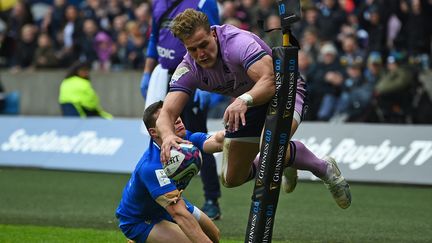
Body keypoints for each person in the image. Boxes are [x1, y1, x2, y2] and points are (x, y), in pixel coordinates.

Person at [157, 9, 351, 209]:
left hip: (284, 89)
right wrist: (168, 136)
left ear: (213, 34)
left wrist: (244, 99)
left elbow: (269, 81)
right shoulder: (188, 68)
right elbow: (167, 113)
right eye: (193, 49)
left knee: (270, 149)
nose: (201, 54)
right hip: (248, 103)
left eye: (204, 45)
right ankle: (290, 157)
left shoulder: (237, 43)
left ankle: (323, 168)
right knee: (232, 178)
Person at [140, 0, 223, 219]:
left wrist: (209, 82)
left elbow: (214, 36)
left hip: (192, 76)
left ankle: (212, 199)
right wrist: (147, 72)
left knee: (195, 136)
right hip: (163, 75)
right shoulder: (158, 3)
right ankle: (162, 196)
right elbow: (153, 38)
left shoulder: (204, 2)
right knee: (159, 135)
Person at [115, 101, 222, 243]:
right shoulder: (151, 166)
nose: (177, 119)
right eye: (167, 120)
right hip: (140, 219)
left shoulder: (182, 139)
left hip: (169, 203)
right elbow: (179, 214)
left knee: (214, 236)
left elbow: (216, 141)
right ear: (154, 132)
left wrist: (231, 136)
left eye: (174, 115)